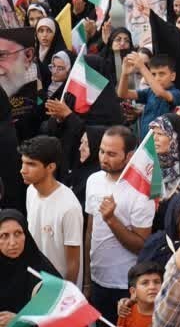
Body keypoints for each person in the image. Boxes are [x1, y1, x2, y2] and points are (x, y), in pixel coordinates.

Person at [85, 126, 155, 323]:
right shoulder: (93, 180)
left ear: (129, 156)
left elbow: (141, 246)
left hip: (124, 286)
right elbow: (90, 231)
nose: (103, 158)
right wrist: (87, 280)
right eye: (101, 151)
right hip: (97, 280)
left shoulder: (141, 192)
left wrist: (111, 220)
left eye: (112, 154)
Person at [20, 136, 83, 286]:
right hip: (36, 280)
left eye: (31, 164)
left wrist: (66, 294)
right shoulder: (31, 191)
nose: (23, 170)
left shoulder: (69, 207)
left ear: (50, 167)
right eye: (23, 162)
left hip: (59, 286)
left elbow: (73, 262)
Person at [0, 209, 60, 317]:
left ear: (26, 235)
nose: (12, 243)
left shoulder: (41, 270)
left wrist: (20, 320)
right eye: (4, 236)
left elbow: (58, 313)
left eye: (18, 233)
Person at [117, 53, 180, 133]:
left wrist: (142, 67)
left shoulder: (176, 93)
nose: (157, 78)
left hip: (163, 138)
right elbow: (123, 94)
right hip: (144, 137)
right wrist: (124, 74)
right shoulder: (149, 92)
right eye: (153, 74)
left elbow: (160, 93)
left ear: (172, 76)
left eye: (162, 74)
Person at [117, 261, 163, 327]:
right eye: (145, 283)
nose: (152, 287)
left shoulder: (171, 313)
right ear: (133, 292)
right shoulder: (126, 311)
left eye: (157, 282)